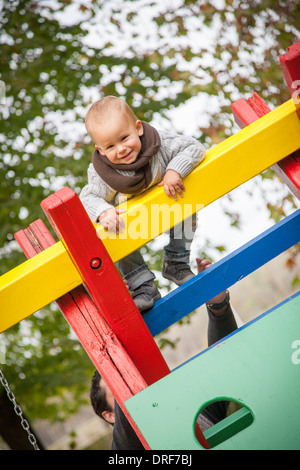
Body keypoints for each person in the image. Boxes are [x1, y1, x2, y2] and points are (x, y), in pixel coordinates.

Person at [90, 258, 238, 450]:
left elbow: (223, 366)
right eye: (117, 385)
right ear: (110, 415)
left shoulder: (195, 411)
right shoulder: (125, 449)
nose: (135, 381)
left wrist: (218, 306)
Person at [80, 96, 206, 312]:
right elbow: (88, 197)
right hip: (129, 224)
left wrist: (174, 170)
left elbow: (194, 147)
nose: (120, 149)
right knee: (112, 231)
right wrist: (104, 212)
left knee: (186, 204)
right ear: (100, 151)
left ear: (138, 128)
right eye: (110, 146)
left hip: (169, 206)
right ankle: (142, 286)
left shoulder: (159, 145)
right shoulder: (103, 173)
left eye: (124, 138)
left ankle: (176, 262)